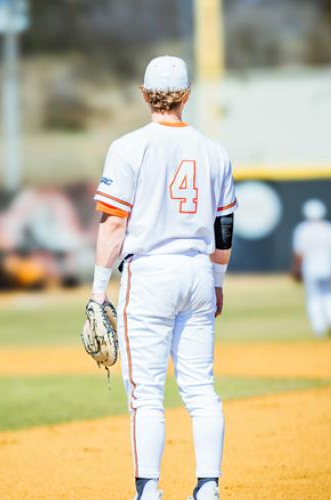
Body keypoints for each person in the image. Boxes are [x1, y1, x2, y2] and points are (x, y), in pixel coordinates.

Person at [89, 56, 237, 500]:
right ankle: (207, 487)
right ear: (187, 96)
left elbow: (113, 225)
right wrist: (216, 281)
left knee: (146, 394)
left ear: (143, 93)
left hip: (150, 272)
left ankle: (149, 490)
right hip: (196, 270)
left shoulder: (129, 146)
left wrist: (98, 293)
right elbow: (223, 228)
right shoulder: (214, 150)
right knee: (200, 388)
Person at [292, 199, 331, 337]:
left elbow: (299, 253)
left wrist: (296, 269)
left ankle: (319, 329)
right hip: (328, 267)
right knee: (330, 294)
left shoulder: (302, 229)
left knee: (313, 297)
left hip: (310, 268)